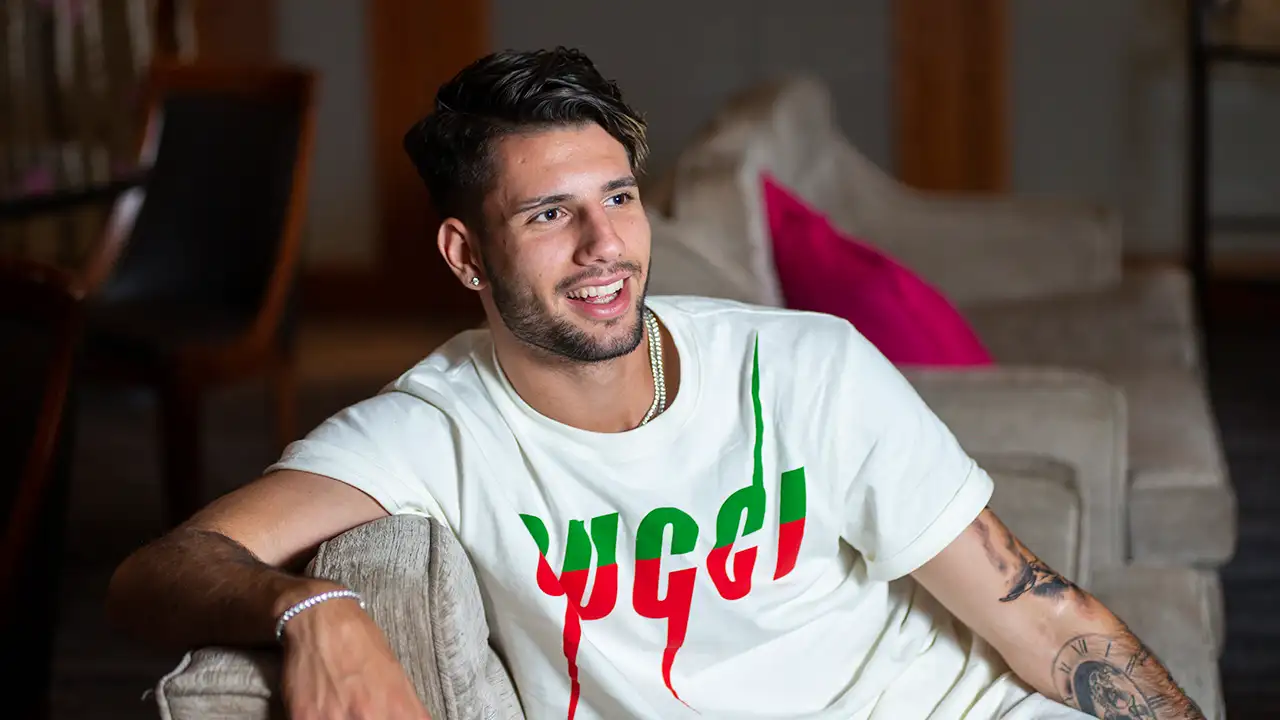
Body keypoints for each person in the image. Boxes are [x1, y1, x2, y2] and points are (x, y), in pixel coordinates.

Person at [107, 47, 1205, 720]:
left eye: (620, 198)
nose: (606, 247)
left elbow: (1040, 617)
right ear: (465, 256)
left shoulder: (804, 368)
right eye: (550, 214)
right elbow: (157, 572)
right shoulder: (433, 431)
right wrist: (310, 606)